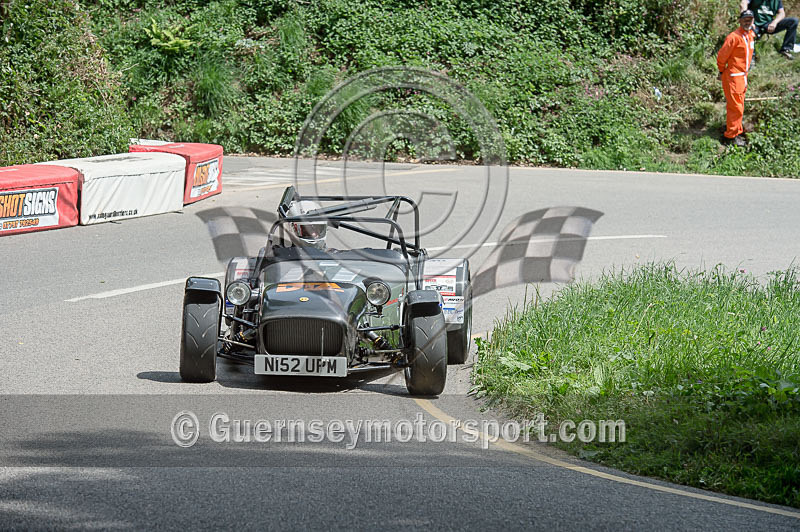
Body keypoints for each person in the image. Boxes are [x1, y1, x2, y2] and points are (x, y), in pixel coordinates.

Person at [717, 11, 756, 147]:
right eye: (745, 19)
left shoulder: (750, 34)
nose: (748, 22)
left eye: (750, 20)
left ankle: (736, 129)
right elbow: (722, 56)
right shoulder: (733, 37)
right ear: (739, 21)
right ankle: (730, 136)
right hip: (734, 76)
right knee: (736, 107)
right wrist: (722, 71)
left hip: (742, 76)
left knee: (739, 105)